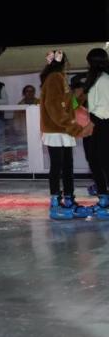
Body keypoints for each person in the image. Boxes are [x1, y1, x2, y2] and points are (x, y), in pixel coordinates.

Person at [41, 51, 92, 219]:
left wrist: (80, 97)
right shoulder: (54, 78)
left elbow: (66, 105)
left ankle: (68, 199)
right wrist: (74, 127)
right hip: (57, 130)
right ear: (63, 63)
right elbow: (54, 107)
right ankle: (56, 202)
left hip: (62, 129)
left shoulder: (58, 77)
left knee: (66, 165)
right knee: (58, 166)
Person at [85, 47, 109, 219]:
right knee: (94, 159)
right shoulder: (96, 79)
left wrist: (93, 120)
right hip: (96, 122)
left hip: (102, 122)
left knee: (102, 161)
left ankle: (104, 197)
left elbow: (104, 106)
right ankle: (103, 195)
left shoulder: (104, 79)